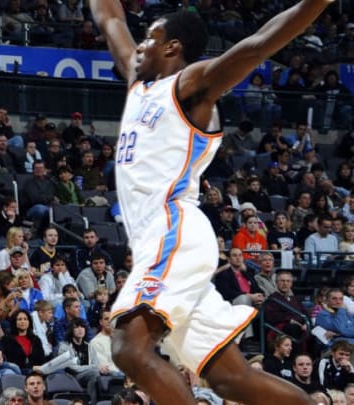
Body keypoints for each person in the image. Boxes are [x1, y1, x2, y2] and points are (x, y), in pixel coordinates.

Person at [90, 1, 335, 403]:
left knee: (128, 349)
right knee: (231, 380)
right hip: (161, 240)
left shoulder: (191, 85)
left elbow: (257, 45)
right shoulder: (139, 83)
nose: (138, 46)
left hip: (174, 229)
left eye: (149, 37)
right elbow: (109, 18)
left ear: (172, 48)